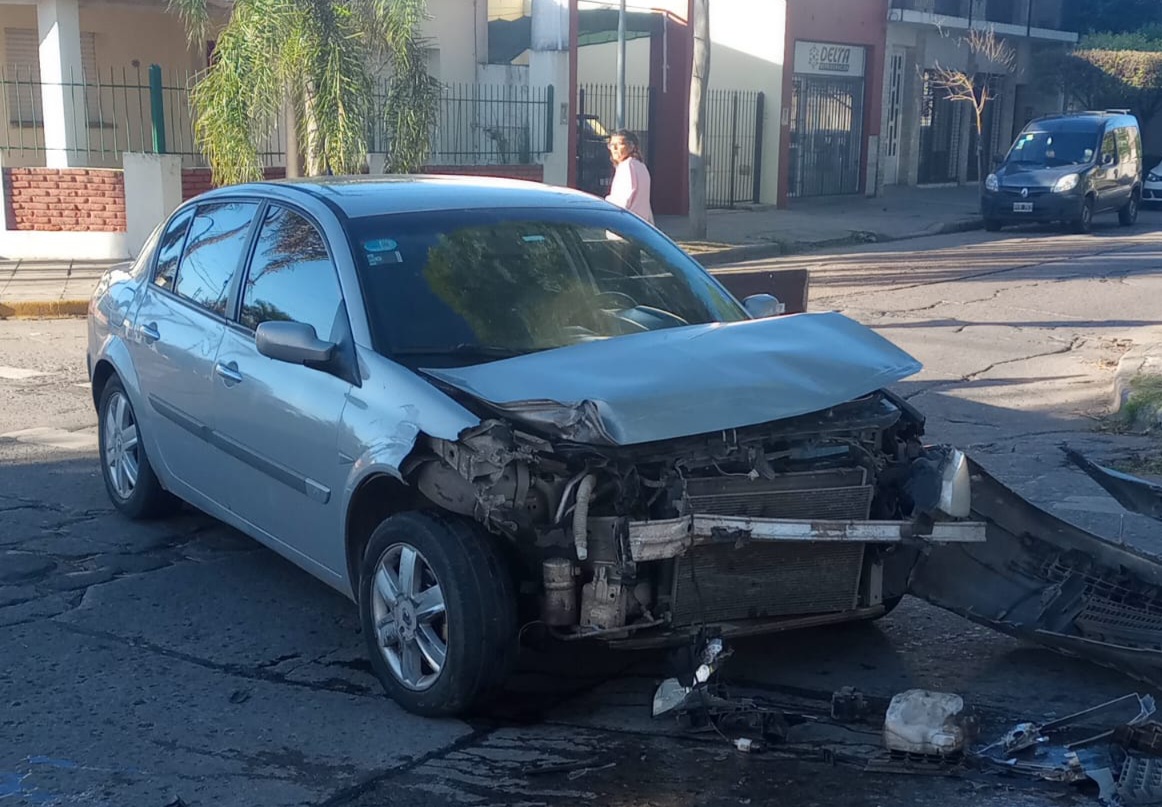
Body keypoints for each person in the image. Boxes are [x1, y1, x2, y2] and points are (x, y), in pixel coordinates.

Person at [604, 129, 654, 225]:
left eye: (619, 144)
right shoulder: (641, 166)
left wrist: (607, 202)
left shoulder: (626, 166)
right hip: (642, 225)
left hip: (625, 224)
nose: (614, 148)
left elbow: (622, 201)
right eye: (611, 144)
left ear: (631, 147)